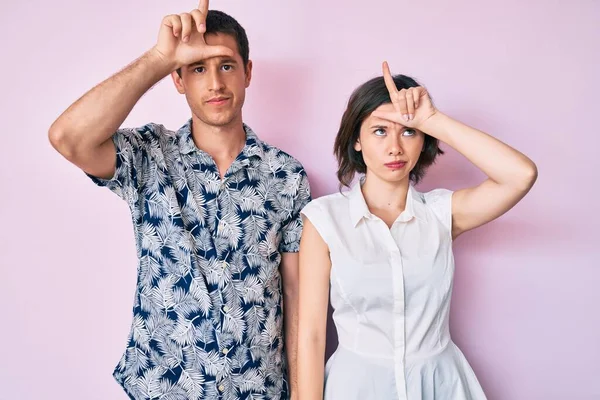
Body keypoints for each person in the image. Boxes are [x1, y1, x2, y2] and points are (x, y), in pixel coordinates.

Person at [48, 1, 311, 399]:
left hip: (257, 390)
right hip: (165, 387)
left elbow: (295, 295)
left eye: (226, 65)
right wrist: (159, 57)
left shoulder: (286, 176)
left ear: (247, 72)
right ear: (178, 79)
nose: (215, 84)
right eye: (198, 69)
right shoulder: (149, 156)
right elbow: (68, 138)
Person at [297, 61, 537, 400]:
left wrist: (431, 119)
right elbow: (310, 335)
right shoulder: (324, 219)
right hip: (355, 387)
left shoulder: (442, 213)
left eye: (407, 131)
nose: (395, 146)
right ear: (357, 141)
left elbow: (521, 175)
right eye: (380, 131)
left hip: (440, 384)